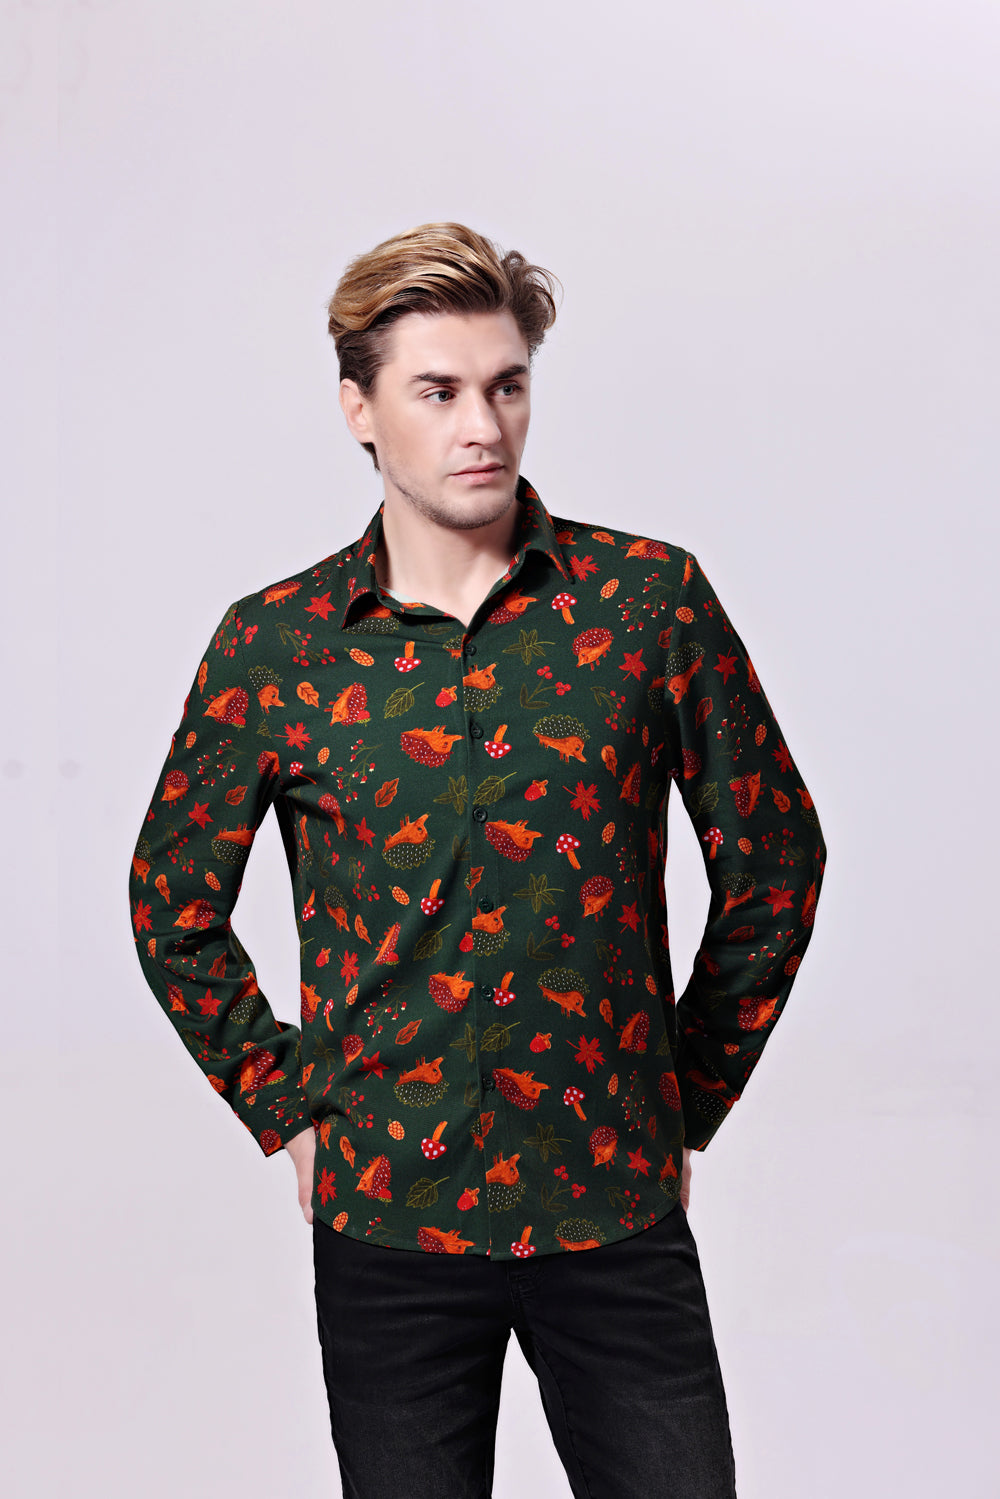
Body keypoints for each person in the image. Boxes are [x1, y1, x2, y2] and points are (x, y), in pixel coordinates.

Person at [129, 221, 826, 1499]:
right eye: (438, 391)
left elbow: (775, 861)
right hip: (388, 1218)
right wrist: (282, 1105)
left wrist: (684, 1095)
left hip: (610, 1208)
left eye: (506, 386)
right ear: (359, 408)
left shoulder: (648, 604)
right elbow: (170, 901)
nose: (482, 426)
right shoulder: (275, 646)